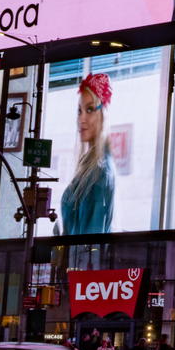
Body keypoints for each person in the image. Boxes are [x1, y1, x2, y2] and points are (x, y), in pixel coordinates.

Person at [59, 74, 115, 237]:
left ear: (103, 114)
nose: (81, 119)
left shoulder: (101, 171)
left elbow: (92, 241)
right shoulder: (88, 164)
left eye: (90, 109)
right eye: (79, 111)